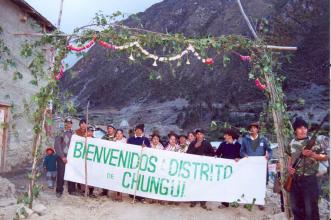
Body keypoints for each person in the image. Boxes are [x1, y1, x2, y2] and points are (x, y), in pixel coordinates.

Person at [287, 117, 328, 220]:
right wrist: (289, 167)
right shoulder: (291, 143)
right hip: (295, 179)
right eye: (300, 128)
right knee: (296, 208)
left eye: (305, 128)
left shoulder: (313, 142)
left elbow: (325, 157)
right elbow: (290, 157)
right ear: (295, 130)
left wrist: (313, 155)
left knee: (311, 210)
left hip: (309, 180)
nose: (303, 130)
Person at [240, 122, 272, 210]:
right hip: (249, 166)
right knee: (249, 183)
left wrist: (268, 155)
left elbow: (269, 150)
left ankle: (260, 202)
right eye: (251, 128)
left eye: (254, 128)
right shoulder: (245, 140)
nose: (252, 129)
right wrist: (244, 155)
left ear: (258, 129)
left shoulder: (263, 140)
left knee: (261, 184)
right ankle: (249, 201)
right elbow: (241, 151)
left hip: (260, 167)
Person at [187, 129, 214, 210]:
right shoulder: (192, 143)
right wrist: (195, 147)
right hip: (194, 168)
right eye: (197, 134)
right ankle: (193, 201)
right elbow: (188, 154)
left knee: (204, 185)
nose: (199, 135)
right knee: (193, 184)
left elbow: (212, 154)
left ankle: (203, 202)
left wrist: (205, 155)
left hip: (204, 169)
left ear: (203, 135)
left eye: (200, 134)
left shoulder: (207, 143)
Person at [215, 128, 241, 208]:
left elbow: (241, 156)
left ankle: (234, 201)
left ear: (230, 136)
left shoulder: (238, 145)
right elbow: (217, 153)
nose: (224, 136)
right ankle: (224, 203)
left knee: (234, 186)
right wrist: (215, 156)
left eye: (225, 135)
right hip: (224, 169)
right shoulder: (223, 144)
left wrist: (239, 158)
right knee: (225, 186)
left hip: (235, 170)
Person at [127, 124, 150, 203]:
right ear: (134, 131)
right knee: (133, 177)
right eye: (137, 130)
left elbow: (149, 150)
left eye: (140, 130)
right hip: (132, 161)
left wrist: (145, 147)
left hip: (142, 162)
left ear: (142, 132)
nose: (138, 131)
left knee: (141, 178)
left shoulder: (145, 139)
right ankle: (133, 194)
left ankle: (141, 196)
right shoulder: (130, 139)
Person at [54, 117, 76, 197]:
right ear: (65, 123)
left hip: (71, 157)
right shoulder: (60, 133)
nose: (68, 124)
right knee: (61, 174)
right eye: (67, 123)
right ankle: (59, 191)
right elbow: (57, 145)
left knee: (72, 173)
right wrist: (62, 156)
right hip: (62, 156)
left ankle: (72, 190)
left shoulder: (74, 134)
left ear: (71, 124)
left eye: (70, 123)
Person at [100, 125, 117, 197]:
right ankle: (105, 191)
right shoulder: (104, 138)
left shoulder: (117, 138)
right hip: (106, 159)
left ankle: (115, 192)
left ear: (113, 129)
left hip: (114, 159)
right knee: (105, 175)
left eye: (111, 128)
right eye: (108, 128)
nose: (109, 130)